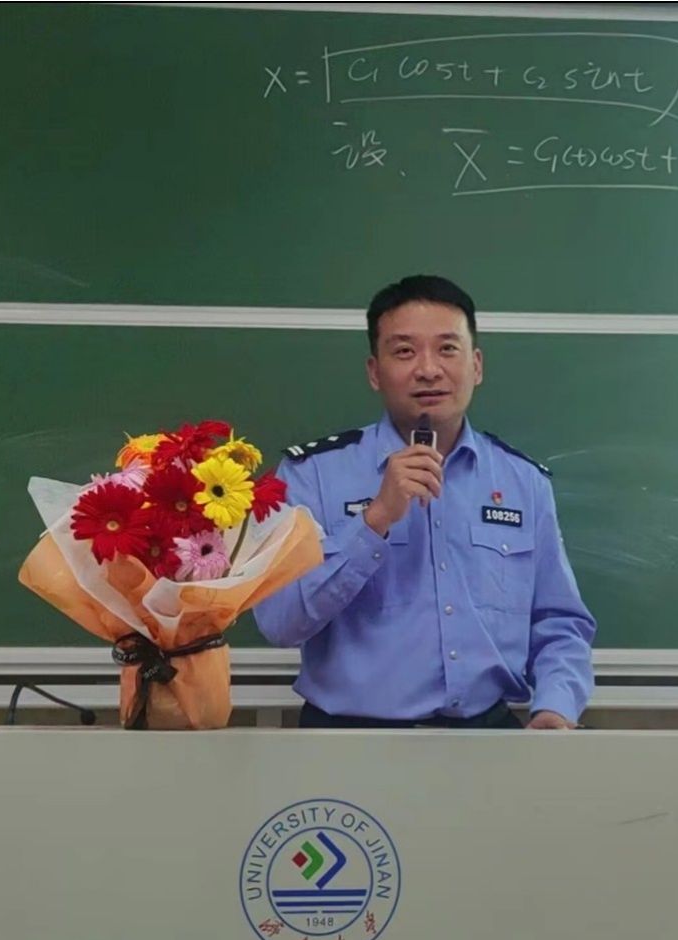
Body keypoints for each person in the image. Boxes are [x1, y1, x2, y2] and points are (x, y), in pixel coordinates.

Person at [254, 275, 596, 730]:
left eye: (447, 349)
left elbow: (559, 623)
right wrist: (374, 521)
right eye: (404, 352)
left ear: (476, 366)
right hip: (348, 742)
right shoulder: (311, 475)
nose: (429, 370)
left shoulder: (523, 482)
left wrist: (555, 706)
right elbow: (280, 622)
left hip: (487, 738)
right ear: (374, 372)